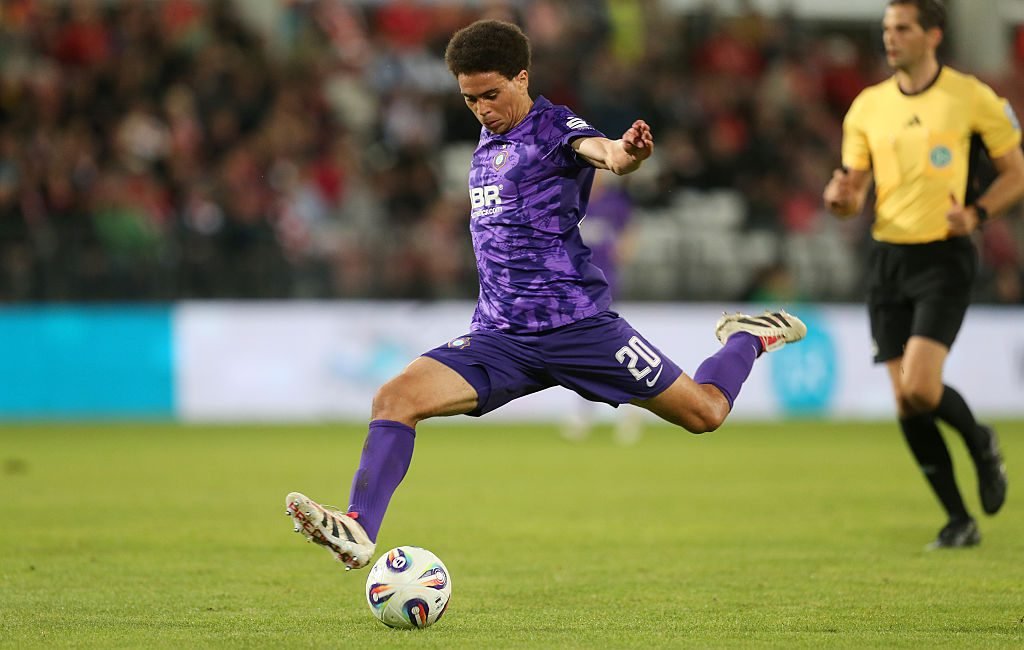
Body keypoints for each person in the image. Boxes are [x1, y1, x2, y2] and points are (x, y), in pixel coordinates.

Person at [285, 19, 807, 570]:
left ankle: (747, 337)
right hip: (500, 338)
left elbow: (604, 153)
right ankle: (359, 527)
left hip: (577, 328)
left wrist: (627, 153)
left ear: (521, 78)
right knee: (395, 399)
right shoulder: (486, 145)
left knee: (705, 413)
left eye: (491, 94)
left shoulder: (552, 126)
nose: (482, 110)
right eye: (470, 100)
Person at [823, 0, 1023, 549]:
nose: (890, 38)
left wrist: (977, 214)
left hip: (943, 256)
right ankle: (958, 519)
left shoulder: (971, 97)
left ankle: (980, 441)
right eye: (887, 29)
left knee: (919, 386)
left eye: (903, 29)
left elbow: (1015, 173)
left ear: (933, 35)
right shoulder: (867, 107)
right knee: (905, 401)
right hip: (888, 258)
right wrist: (840, 199)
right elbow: (853, 191)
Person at [561, 172, 645, 444]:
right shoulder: (573, 200)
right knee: (592, 350)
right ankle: (627, 408)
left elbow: (630, 231)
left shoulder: (614, 203)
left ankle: (616, 410)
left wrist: (624, 250)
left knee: (592, 348)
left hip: (602, 287)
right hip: (574, 287)